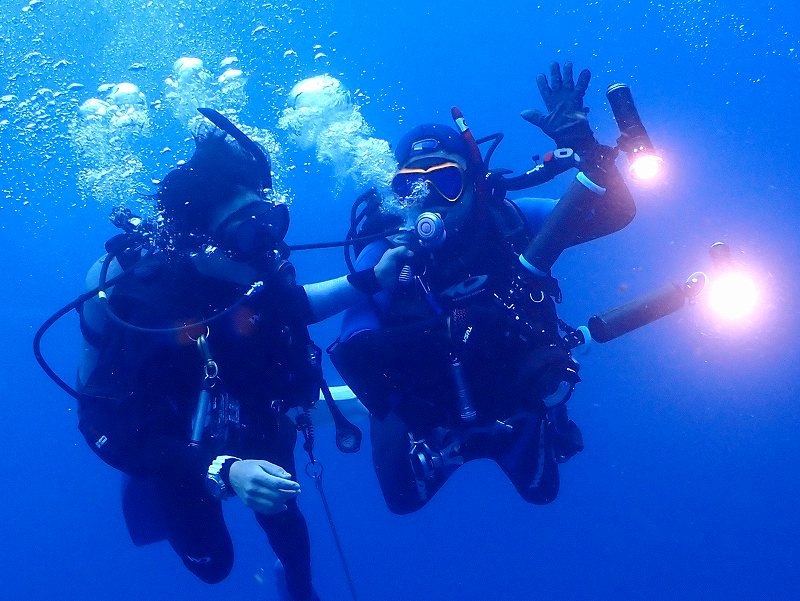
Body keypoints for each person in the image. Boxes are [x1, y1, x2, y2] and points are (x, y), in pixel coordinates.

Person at [75, 109, 406, 600]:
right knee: (214, 567)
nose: (269, 245)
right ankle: (156, 491)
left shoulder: (253, 275)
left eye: (271, 222)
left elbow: (295, 306)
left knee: (288, 529)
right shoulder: (149, 309)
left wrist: (369, 280)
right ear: (201, 244)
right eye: (249, 232)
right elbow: (104, 425)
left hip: (254, 422)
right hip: (174, 447)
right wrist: (223, 470)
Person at [329, 62, 637, 514]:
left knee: (542, 492)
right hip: (430, 411)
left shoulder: (511, 219)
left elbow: (615, 214)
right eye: (412, 185)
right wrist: (442, 336)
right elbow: (352, 345)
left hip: (513, 390)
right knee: (400, 499)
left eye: (446, 181)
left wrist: (588, 150)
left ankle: (520, 430)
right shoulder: (386, 251)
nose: (428, 198)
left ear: (474, 181)